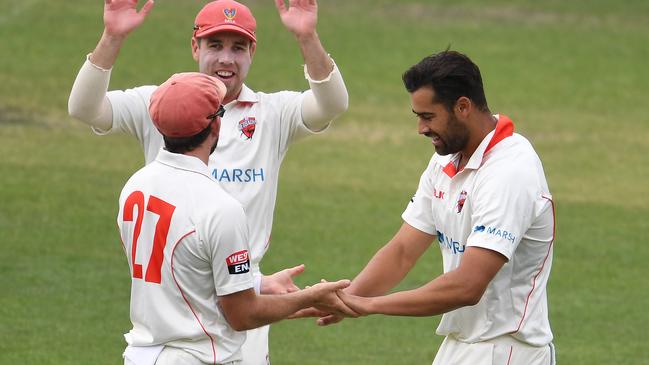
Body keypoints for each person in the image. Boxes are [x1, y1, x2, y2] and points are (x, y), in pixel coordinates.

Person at [68, 0, 349, 363]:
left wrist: (307, 37)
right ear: (195, 47)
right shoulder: (162, 104)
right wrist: (112, 37)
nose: (226, 59)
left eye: (238, 47)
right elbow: (84, 108)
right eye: (215, 45)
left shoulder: (272, 113)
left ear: (252, 52)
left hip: (240, 288)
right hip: (195, 300)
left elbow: (332, 105)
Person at [321, 51, 556, 364]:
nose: (420, 128)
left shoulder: (510, 171)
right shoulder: (444, 161)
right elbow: (403, 250)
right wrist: (348, 298)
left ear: (462, 107)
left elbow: (467, 286)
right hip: (461, 345)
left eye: (428, 116)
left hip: (508, 350)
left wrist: (369, 306)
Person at [117, 72, 353, 365]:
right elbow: (243, 315)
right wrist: (310, 297)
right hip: (196, 357)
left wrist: (257, 282)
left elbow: (184, 272)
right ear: (216, 125)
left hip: (142, 355)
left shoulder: (135, 187)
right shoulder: (220, 208)